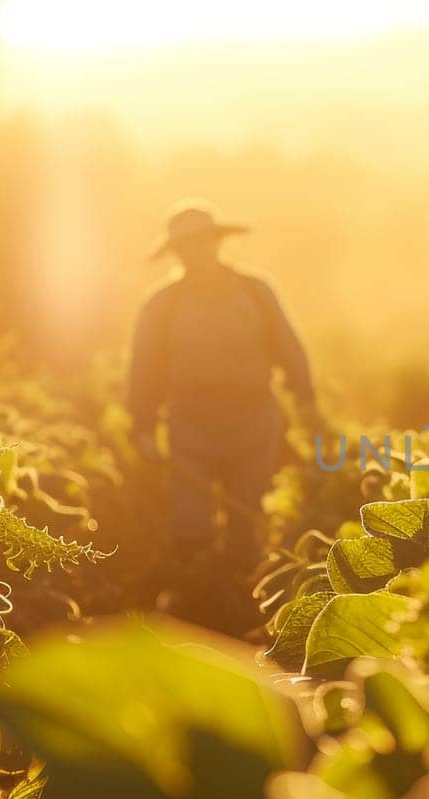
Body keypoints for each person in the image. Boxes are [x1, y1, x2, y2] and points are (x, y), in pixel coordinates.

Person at [128, 202, 320, 577]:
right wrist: (142, 427)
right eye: (186, 246)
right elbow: (144, 370)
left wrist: (306, 402)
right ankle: (195, 592)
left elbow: (289, 348)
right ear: (177, 252)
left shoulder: (256, 292)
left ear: (216, 243)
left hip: (253, 422)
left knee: (247, 519)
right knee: (190, 521)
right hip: (190, 425)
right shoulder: (161, 305)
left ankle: (242, 595)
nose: (195, 252)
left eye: (201, 242)